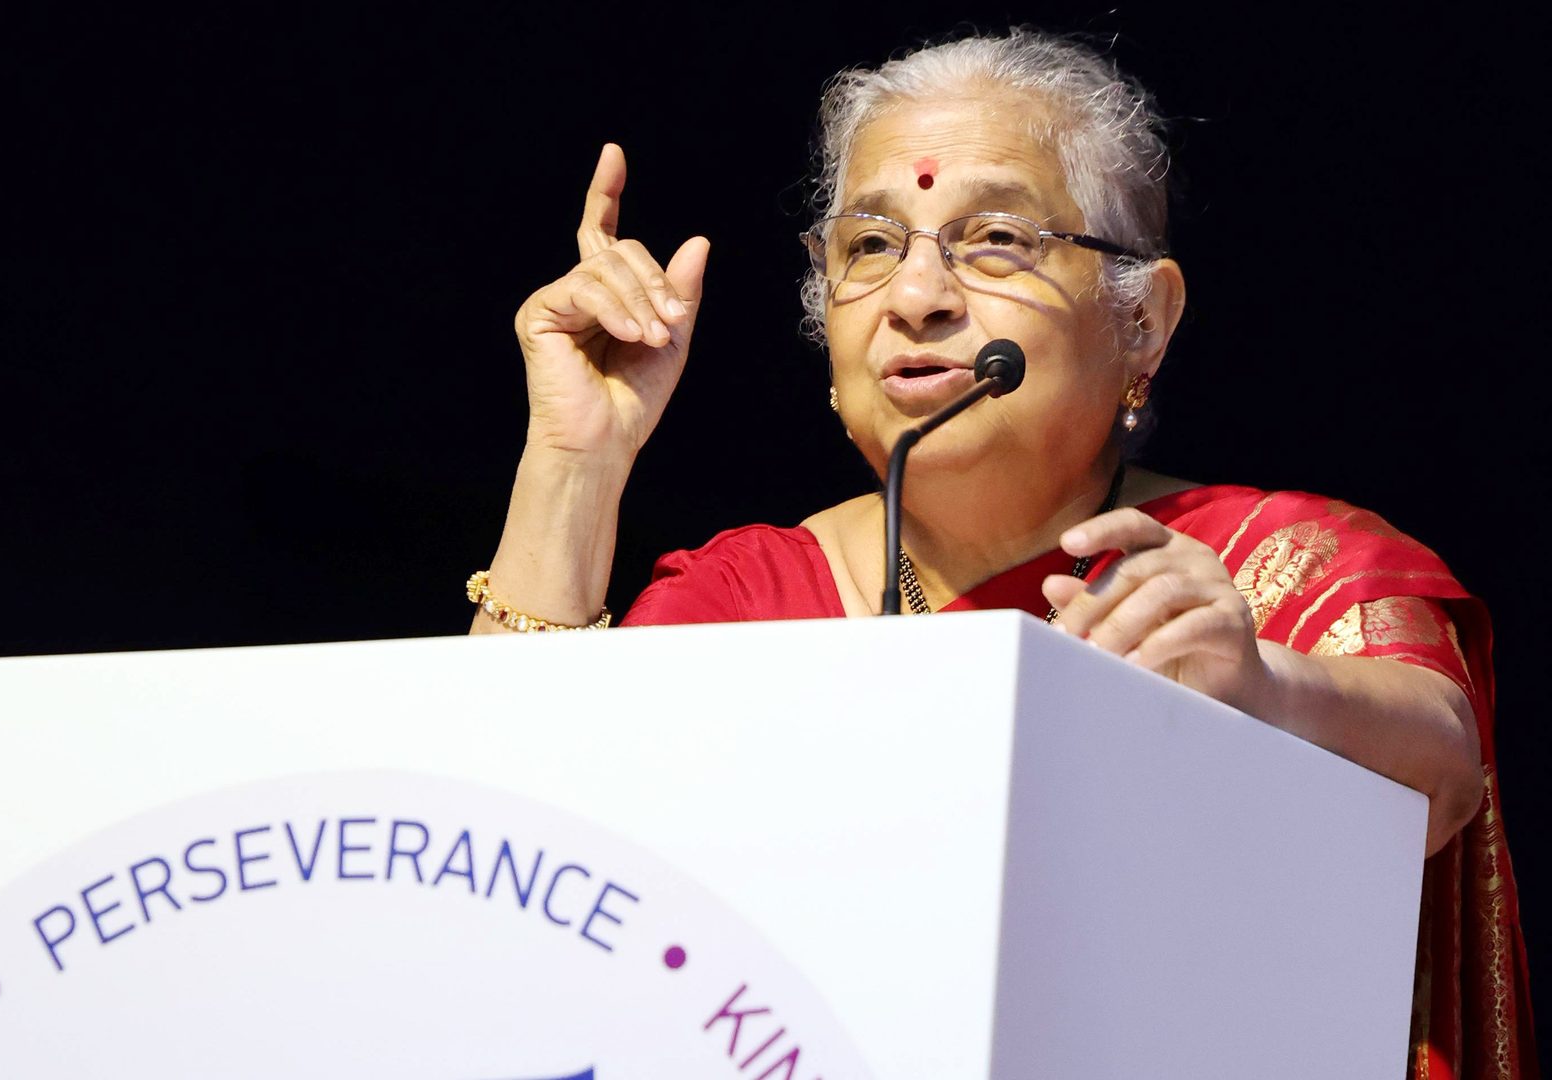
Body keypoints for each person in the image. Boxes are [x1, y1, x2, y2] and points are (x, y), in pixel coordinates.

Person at [464, 29, 1532, 1078]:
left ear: (1144, 322)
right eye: (870, 245)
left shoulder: (1269, 570)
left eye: (995, 239)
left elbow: (1439, 770)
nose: (915, 297)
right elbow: (498, 858)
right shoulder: (749, 598)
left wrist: (1258, 691)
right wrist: (574, 461)